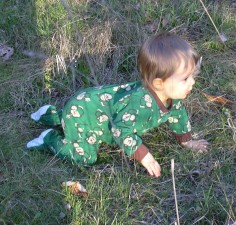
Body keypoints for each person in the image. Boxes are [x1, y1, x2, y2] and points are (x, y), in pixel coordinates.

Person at [27, 32, 209, 177]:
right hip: (84, 114)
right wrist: (144, 156)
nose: (192, 82)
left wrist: (187, 141)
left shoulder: (172, 98)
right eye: (185, 78)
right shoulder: (140, 105)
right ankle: (50, 139)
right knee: (85, 157)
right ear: (158, 83)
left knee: (71, 116)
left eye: (192, 76)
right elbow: (121, 130)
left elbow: (177, 116)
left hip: (87, 104)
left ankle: (51, 115)